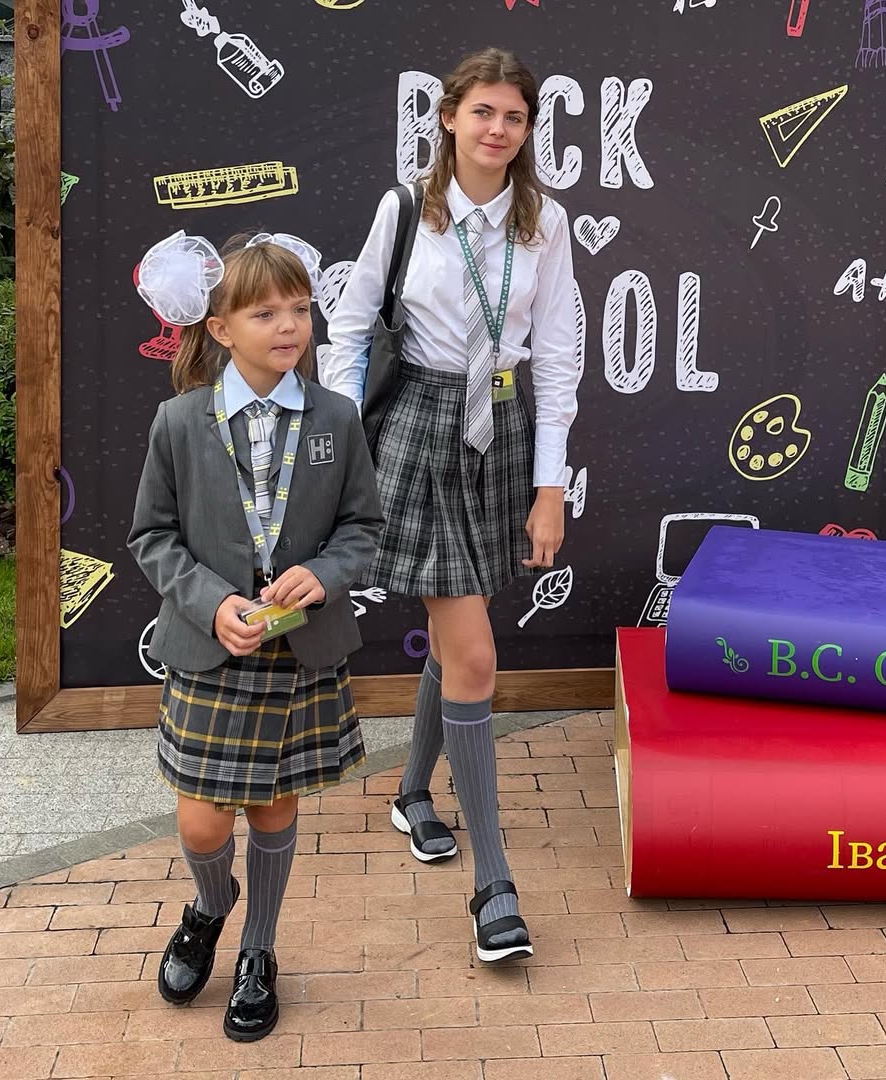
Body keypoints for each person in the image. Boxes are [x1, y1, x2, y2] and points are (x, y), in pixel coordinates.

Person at [322, 47, 580, 962]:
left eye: (514, 117)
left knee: (455, 633)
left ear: (527, 129)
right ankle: (493, 886)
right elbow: (348, 328)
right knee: (473, 651)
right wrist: (341, 451)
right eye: (483, 112)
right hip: (420, 427)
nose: (497, 130)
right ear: (448, 118)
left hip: (501, 428)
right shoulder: (404, 210)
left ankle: (410, 793)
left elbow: (558, 356)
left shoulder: (546, 223)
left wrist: (550, 486)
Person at [128, 230, 384, 1039]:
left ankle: (258, 950)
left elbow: (363, 528)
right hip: (212, 652)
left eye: (299, 309)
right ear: (221, 329)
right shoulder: (178, 422)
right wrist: (210, 603)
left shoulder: (336, 417)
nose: (288, 326)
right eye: (265, 312)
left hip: (299, 652)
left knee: (273, 811)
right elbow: (151, 537)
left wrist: (327, 573)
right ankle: (211, 907)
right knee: (203, 823)